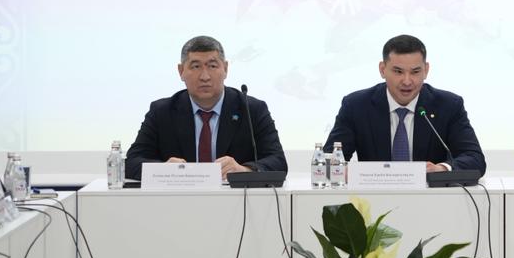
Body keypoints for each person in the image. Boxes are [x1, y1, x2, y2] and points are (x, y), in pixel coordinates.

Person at [125, 36, 286, 180]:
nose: (205, 76)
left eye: (212, 66)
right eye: (196, 66)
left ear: (225, 68)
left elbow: (278, 161)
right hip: (180, 200)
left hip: (233, 200)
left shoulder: (252, 110)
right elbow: (132, 162)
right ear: (181, 71)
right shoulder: (162, 111)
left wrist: (244, 170)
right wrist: (163, 170)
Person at [324, 34, 485, 174]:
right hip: (374, 197)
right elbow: (328, 160)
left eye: (415, 72)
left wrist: (441, 169)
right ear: (382, 69)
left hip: (431, 197)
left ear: (426, 70)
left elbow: (475, 159)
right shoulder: (356, 106)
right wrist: (346, 171)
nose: (407, 81)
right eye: (398, 71)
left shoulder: (448, 106)